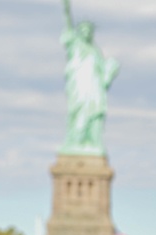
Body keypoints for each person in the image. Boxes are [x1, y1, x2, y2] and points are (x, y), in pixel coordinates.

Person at [60, 0, 119, 155]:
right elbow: (67, 23)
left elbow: (103, 75)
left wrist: (110, 71)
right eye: (83, 29)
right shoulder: (75, 44)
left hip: (94, 87)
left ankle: (92, 141)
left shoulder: (96, 51)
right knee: (79, 111)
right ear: (79, 31)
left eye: (89, 30)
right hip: (79, 86)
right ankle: (76, 141)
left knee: (94, 113)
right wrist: (66, 8)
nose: (86, 32)